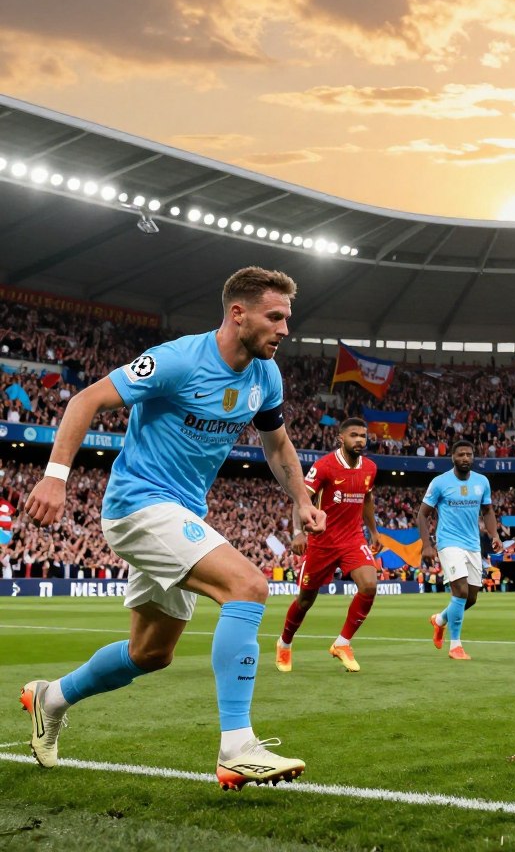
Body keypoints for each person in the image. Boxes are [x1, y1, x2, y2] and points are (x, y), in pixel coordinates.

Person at [20, 267, 326, 790]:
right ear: (238, 314)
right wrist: (55, 477)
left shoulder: (265, 375)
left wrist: (300, 498)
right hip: (138, 505)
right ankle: (237, 748)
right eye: (275, 317)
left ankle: (50, 698)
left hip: (184, 513)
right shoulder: (178, 359)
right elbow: (84, 400)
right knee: (248, 586)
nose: (284, 329)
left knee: (150, 654)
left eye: (286, 318)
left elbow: (277, 444)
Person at [276, 418, 381, 673]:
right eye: (354, 435)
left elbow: (367, 499)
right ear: (340, 438)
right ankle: (284, 643)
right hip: (322, 542)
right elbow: (301, 499)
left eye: (363, 436)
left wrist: (374, 531)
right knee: (305, 600)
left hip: (353, 539)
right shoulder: (324, 466)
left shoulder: (370, 468)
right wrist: (298, 533)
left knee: (369, 585)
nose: (360, 440)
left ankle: (342, 643)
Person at [417, 440, 501, 660]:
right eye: (461, 454)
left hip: (472, 544)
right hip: (449, 542)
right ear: (452, 457)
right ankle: (455, 646)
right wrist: (427, 544)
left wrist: (494, 535)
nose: (465, 458)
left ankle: (439, 620)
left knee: (471, 598)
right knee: (460, 592)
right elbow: (422, 514)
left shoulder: (482, 482)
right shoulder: (440, 482)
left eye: (469, 454)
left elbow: (488, 511)